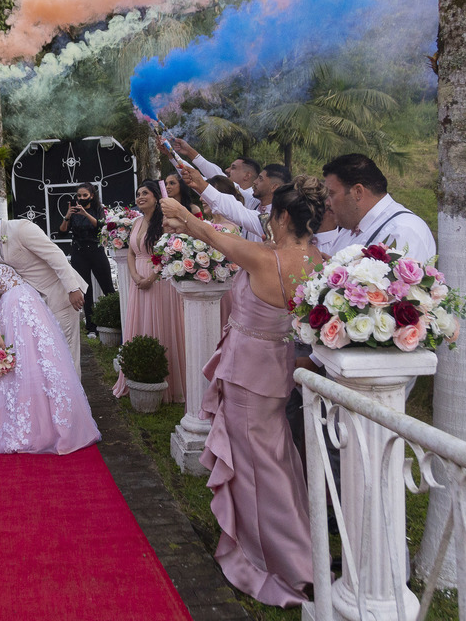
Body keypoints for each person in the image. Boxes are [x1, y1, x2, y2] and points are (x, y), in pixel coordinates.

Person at [160, 176, 328, 609]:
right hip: (276, 370)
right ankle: (298, 553)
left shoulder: (265, 258)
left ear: (284, 216)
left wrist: (180, 213)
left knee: (258, 472)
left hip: (248, 375)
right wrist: (185, 221)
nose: (267, 221)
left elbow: (212, 236)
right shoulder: (317, 259)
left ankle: (282, 565)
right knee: (277, 462)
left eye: (271, 215)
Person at [0, 234, 100, 454]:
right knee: (28, 359)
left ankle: (50, 411)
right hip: (16, 310)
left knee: (42, 357)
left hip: (27, 305)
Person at [0, 202, 88, 373]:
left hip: (60, 295)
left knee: (66, 352)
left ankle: (73, 391)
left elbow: (55, 255)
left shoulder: (21, 228)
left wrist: (72, 288)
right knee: (51, 353)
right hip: (37, 304)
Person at [117, 181, 186, 404]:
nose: (140, 197)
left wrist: (151, 277)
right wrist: (135, 276)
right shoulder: (136, 222)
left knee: (162, 322)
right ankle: (139, 372)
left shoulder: (165, 221)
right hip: (138, 279)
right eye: (138, 193)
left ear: (156, 197)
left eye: (145, 193)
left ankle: (168, 382)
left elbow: (168, 252)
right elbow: (131, 253)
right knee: (140, 321)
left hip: (160, 280)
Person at [321, 153, 435, 260]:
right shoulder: (348, 231)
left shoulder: (402, 231)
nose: (327, 202)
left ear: (358, 192)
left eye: (331, 194)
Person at [58, 183, 115, 337]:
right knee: (86, 290)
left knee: (107, 286)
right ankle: (91, 327)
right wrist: (68, 215)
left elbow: (101, 226)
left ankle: (117, 321)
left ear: (91, 195)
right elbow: (62, 232)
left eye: (85, 195)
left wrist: (85, 214)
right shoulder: (73, 211)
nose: (82, 198)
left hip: (96, 250)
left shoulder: (98, 209)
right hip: (79, 252)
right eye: (79, 196)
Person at [164, 138, 262, 210]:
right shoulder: (225, 191)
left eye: (233, 167)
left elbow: (216, 175)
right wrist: (171, 155)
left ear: (247, 175)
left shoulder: (253, 199)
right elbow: (198, 180)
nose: (227, 170)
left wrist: (189, 151)